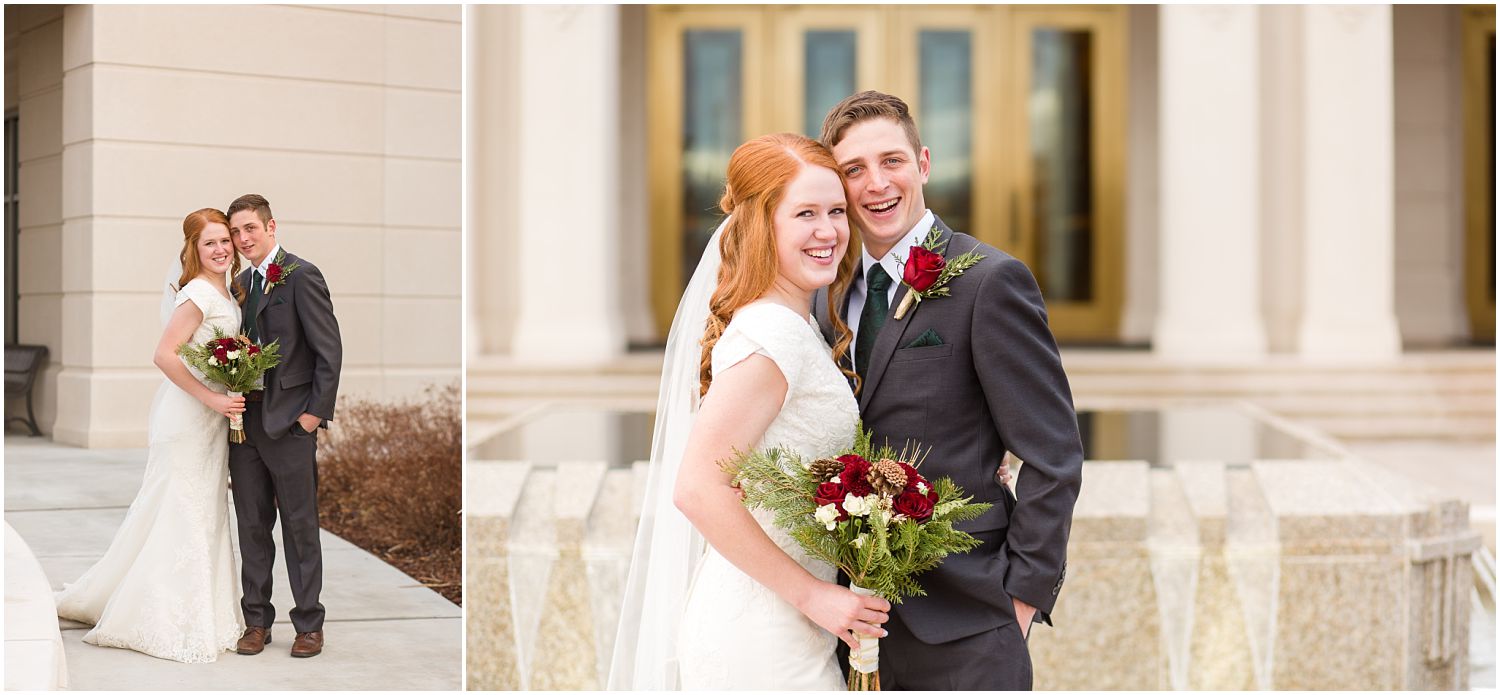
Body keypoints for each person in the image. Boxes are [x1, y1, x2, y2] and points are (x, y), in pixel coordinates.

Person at [812, 90, 1084, 690]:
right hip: (846, 622)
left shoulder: (990, 281)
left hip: (967, 623)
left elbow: (1053, 456)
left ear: (924, 164)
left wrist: (1020, 603)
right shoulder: (825, 294)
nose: (876, 184)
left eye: (892, 161)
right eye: (854, 170)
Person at [610, 133, 891, 690]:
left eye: (836, 211)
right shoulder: (773, 334)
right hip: (762, 635)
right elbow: (696, 488)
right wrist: (814, 595)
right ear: (762, 224)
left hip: (791, 623)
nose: (829, 231)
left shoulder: (799, 326)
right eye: (805, 213)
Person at [55, 209, 248, 663]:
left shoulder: (230, 289)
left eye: (226, 241)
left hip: (211, 419)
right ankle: (161, 615)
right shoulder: (198, 292)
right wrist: (213, 398)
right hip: (189, 415)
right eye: (210, 244)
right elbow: (164, 355)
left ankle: (205, 607)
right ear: (193, 250)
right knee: (181, 509)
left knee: (203, 509)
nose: (221, 250)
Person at [226, 194, 342, 659]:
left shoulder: (301, 275)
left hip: (291, 423)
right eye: (236, 232)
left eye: (250, 228)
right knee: (252, 524)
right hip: (243, 424)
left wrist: (312, 417)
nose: (242, 239)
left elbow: (328, 352)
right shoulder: (236, 284)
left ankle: (309, 624)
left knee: (299, 526)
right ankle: (256, 621)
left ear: (271, 226)